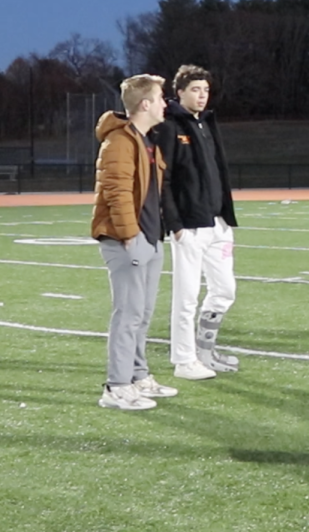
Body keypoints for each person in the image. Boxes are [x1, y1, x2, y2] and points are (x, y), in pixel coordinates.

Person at [92, 74, 178, 410]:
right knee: (127, 315)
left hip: (150, 237)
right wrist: (129, 234)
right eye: (159, 98)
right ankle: (116, 386)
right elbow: (116, 192)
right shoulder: (119, 142)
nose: (164, 104)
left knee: (142, 314)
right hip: (127, 239)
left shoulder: (146, 140)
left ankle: (138, 376)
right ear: (144, 104)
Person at [157, 65, 240, 381]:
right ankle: (183, 360)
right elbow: (162, 179)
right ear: (179, 92)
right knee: (186, 296)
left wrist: (225, 216)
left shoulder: (206, 124)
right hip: (190, 226)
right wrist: (175, 223)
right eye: (195, 90)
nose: (202, 96)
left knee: (224, 290)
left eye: (205, 90)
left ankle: (205, 351)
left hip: (217, 223)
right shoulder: (169, 126)